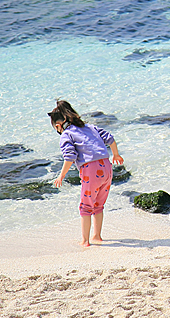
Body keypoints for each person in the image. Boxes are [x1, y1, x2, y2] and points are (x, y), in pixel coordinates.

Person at [48, 100, 124, 247]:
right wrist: (116, 155)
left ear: (58, 125)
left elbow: (69, 157)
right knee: (98, 205)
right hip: (107, 167)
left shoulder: (66, 135)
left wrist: (61, 175)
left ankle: (85, 241)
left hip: (91, 171)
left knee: (85, 207)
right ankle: (97, 236)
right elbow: (110, 138)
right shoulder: (90, 127)